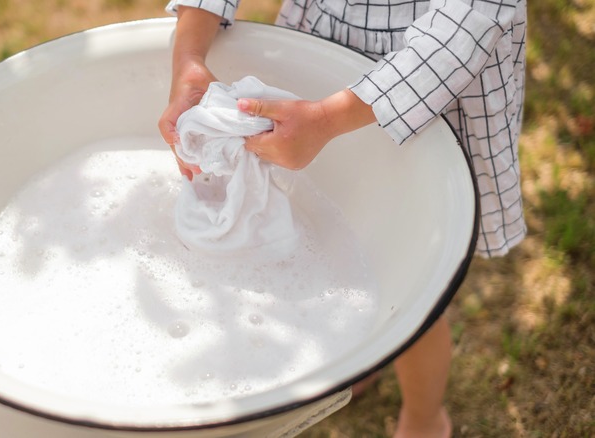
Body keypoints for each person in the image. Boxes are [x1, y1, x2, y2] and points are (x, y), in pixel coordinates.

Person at [158, 0, 527, 436]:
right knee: (337, 230)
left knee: (406, 291)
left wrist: (330, 118)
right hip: (325, 37)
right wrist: (189, 56)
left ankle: (425, 418)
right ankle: (362, 348)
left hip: (427, 82)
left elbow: (469, 18)